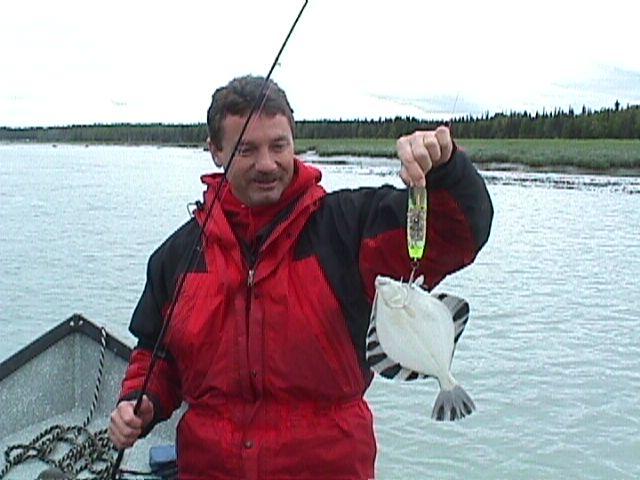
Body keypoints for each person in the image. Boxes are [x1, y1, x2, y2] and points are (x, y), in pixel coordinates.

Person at [108, 75, 493, 479]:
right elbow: (157, 353)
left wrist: (447, 170)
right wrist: (142, 400)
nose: (267, 164)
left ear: (295, 142)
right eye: (246, 150)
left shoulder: (348, 229)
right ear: (216, 152)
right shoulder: (177, 257)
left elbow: (458, 234)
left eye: (279, 145)